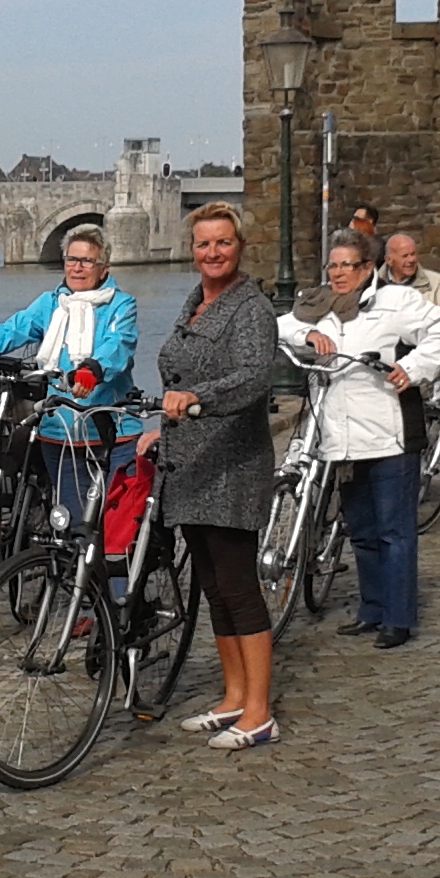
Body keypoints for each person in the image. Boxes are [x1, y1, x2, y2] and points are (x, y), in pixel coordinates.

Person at [141, 203, 281, 750]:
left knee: (239, 587)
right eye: (203, 243)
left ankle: (260, 712)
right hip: (190, 462)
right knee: (213, 586)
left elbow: (253, 378)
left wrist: (197, 395)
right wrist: (161, 425)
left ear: (240, 246)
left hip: (232, 464)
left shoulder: (252, 307)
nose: (213, 252)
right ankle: (234, 696)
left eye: (223, 242)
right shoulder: (196, 300)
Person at [280, 230, 440, 647]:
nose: (338, 273)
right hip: (340, 437)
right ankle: (371, 609)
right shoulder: (317, 304)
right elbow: (279, 326)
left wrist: (413, 368)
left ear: (367, 268)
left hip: (389, 432)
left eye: (348, 265)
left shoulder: (394, 301)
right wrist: (307, 336)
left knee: (394, 530)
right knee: (360, 529)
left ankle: (398, 618)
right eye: (333, 265)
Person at [0, 224, 140, 527]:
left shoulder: (121, 305)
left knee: (117, 525)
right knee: (70, 522)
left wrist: (92, 370)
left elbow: (118, 344)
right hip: (60, 430)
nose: (77, 267)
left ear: (104, 267)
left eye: (87, 261)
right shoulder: (51, 303)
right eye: (72, 259)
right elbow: (15, 328)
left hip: (111, 429)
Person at [381, 231, 440, 305]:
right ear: (389, 260)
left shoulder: (438, 284)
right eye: (405, 256)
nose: (411, 260)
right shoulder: (375, 286)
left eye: (413, 254)